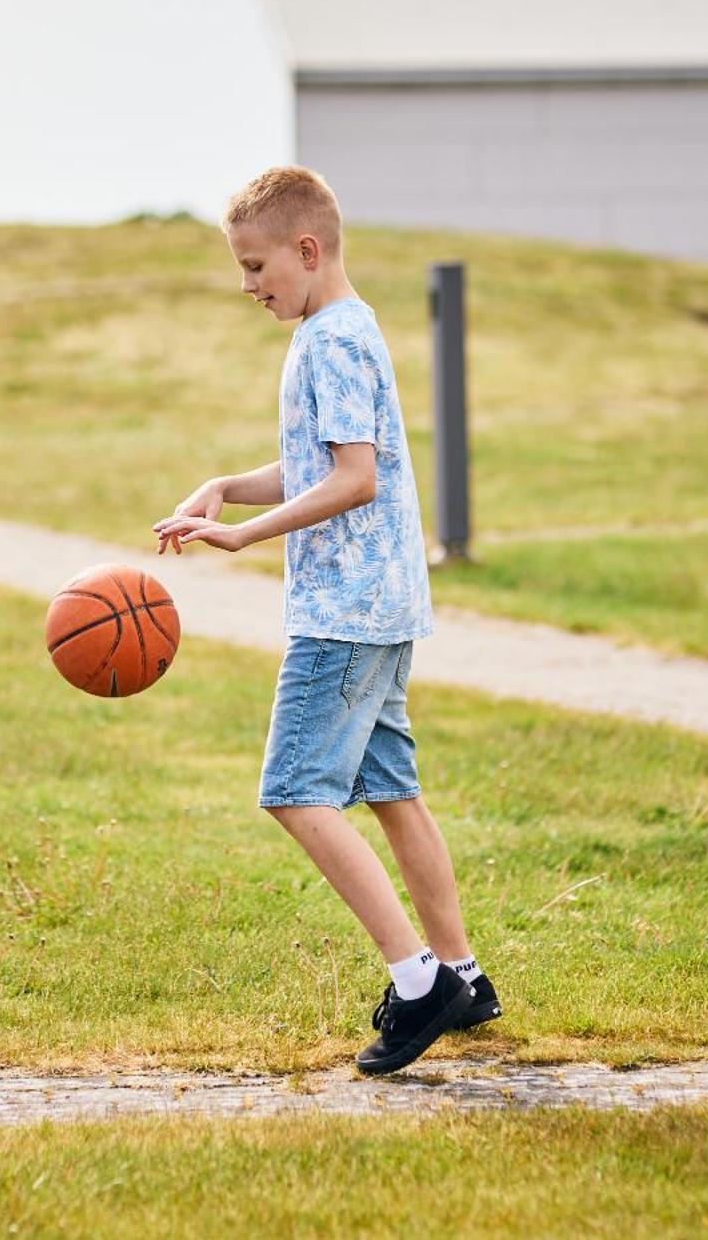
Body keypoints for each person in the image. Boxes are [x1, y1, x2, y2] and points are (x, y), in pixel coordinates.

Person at [150, 166, 498, 1075]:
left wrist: (243, 536)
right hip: (382, 609)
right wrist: (226, 485)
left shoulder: (329, 341)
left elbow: (355, 477)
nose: (248, 283)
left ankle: (419, 981)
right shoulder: (344, 326)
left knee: (295, 789)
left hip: (341, 614)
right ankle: (464, 969)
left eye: (257, 264)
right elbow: (315, 458)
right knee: (389, 788)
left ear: (307, 251)